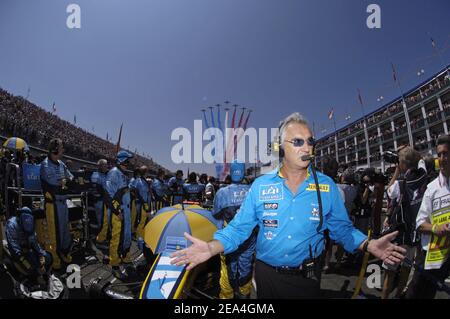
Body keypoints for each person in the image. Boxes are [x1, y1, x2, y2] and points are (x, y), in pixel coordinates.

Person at [171, 112, 406, 299]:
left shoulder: (326, 186)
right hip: (266, 277)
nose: (307, 147)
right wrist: (211, 248)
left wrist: (368, 244)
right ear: (281, 147)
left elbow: (342, 229)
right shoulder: (261, 186)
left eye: (310, 141)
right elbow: (239, 228)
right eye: (298, 142)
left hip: (308, 278)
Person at [405, 135, 450, 299]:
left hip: (447, 256)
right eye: (440, 154)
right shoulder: (431, 189)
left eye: (446, 153)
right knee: (416, 295)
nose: (442, 158)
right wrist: (435, 228)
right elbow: (419, 224)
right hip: (430, 256)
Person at [381, 146, 428, 299]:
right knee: (407, 268)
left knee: (390, 271)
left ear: (403, 164)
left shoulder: (400, 183)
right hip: (414, 234)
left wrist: (396, 171)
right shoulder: (424, 174)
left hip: (399, 234)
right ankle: (399, 295)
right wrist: (408, 153)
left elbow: (388, 191)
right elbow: (420, 159)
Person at [213, 161, 255, 299]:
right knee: (246, 265)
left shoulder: (222, 192)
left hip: (228, 236)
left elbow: (216, 214)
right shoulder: (254, 190)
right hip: (248, 237)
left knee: (226, 268)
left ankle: (227, 296)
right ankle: (244, 294)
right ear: (243, 172)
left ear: (231, 173)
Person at [40, 138, 74, 270]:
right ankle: (54, 260)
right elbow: (55, 183)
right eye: (61, 147)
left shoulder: (61, 164)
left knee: (65, 230)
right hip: (52, 204)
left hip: (63, 203)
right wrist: (65, 181)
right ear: (54, 149)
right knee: (54, 233)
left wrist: (66, 180)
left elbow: (70, 177)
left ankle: (63, 253)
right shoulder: (45, 164)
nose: (63, 149)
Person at [5, 207, 52, 286]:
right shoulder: (11, 225)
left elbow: (33, 241)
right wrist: (22, 257)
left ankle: (41, 273)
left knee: (48, 257)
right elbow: (14, 247)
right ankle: (35, 277)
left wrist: (40, 255)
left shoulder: (30, 224)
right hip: (18, 251)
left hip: (28, 248)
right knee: (29, 266)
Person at [106, 150, 134, 278]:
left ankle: (124, 258)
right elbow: (109, 195)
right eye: (127, 161)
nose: (128, 163)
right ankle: (115, 265)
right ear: (121, 160)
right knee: (116, 239)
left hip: (126, 210)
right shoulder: (114, 173)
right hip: (118, 211)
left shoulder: (123, 174)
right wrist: (117, 211)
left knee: (125, 236)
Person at [91, 159, 109, 243]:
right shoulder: (96, 176)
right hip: (99, 201)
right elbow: (98, 190)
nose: (107, 167)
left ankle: (102, 236)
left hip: (104, 201)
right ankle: (99, 239)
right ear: (100, 166)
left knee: (105, 220)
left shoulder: (104, 175)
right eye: (105, 165)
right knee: (101, 221)